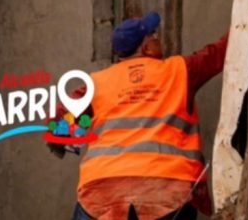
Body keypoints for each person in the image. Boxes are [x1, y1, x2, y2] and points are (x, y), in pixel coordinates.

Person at [51, 12, 229, 220]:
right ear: (145, 47)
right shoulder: (180, 70)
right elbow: (220, 52)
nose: (157, 38)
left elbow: (57, 122)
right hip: (165, 191)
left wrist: (69, 138)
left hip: (101, 195)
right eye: (152, 35)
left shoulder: (98, 83)